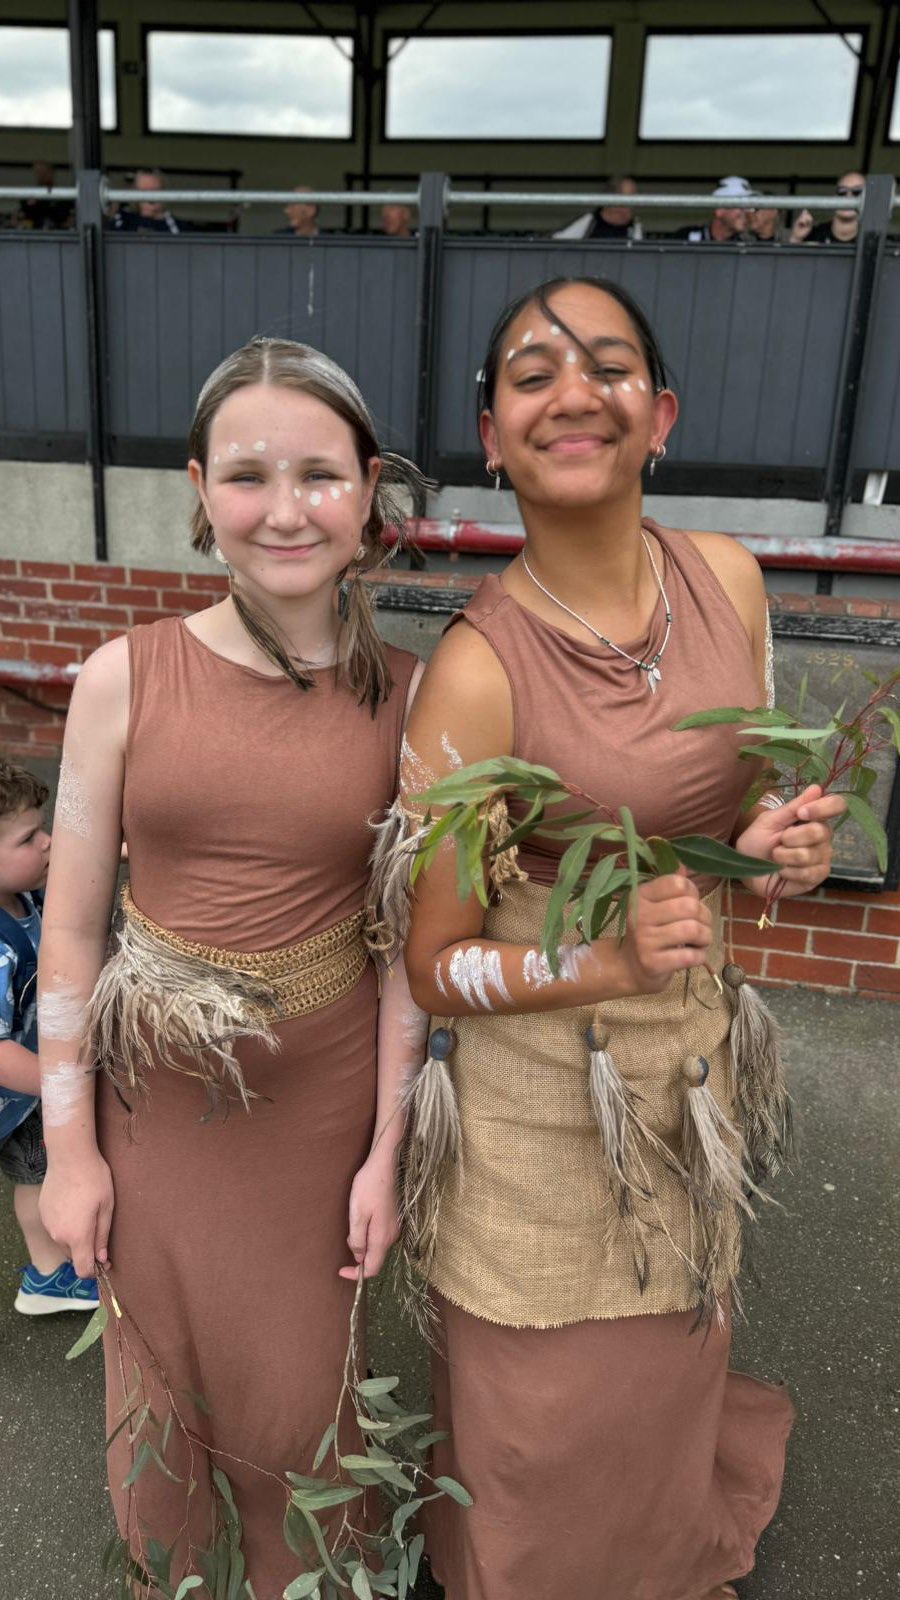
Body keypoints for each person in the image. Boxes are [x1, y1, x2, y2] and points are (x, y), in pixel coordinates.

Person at [394, 275, 845, 1599]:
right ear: (491, 433)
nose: (573, 391)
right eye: (532, 373)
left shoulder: (728, 580)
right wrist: (600, 963)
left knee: (665, 1371)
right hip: (542, 1096)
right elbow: (434, 964)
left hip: (682, 1069)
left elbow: (736, 801)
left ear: (661, 414)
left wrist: (777, 852)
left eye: (607, 366)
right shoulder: (473, 673)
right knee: (539, 1408)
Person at [37, 337, 428, 1593]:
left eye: (319, 473)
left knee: (305, 1403)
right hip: (156, 1120)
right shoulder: (121, 678)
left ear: (370, 491)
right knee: (164, 1391)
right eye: (250, 475)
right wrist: (71, 1148)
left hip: (318, 1121)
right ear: (201, 490)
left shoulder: (414, 699)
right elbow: (72, 933)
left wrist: (387, 1149)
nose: (286, 508)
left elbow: (411, 947)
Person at [0, 761, 97, 1315]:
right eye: (28, 838)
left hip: (41, 1079)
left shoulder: (21, 897)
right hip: (24, 1095)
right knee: (38, 1177)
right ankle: (47, 1277)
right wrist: (63, 1085)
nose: (47, 842)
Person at [553, 176, 643, 241]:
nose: (634, 205)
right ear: (614, 200)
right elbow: (557, 243)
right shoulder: (589, 222)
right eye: (630, 200)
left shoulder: (634, 226)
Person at [108, 169, 192, 235]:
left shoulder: (179, 228)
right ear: (135, 192)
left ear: (164, 191)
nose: (149, 197)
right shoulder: (123, 221)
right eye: (144, 191)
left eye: (154, 191)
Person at [676, 175, 754, 242]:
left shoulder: (746, 245)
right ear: (719, 210)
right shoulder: (686, 237)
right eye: (740, 206)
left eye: (748, 206)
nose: (747, 212)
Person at [807, 172, 866, 243]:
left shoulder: (873, 239)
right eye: (842, 192)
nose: (848, 197)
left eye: (857, 192)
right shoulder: (814, 234)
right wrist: (795, 238)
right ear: (834, 197)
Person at [15, 161, 74, 231]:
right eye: (38, 173)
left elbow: (65, 217)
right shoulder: (29, 198)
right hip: (35, 235)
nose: (42, 176)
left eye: (45, 172)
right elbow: (23, 216)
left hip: (59, 234)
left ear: (52, 173)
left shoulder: (63, 196)